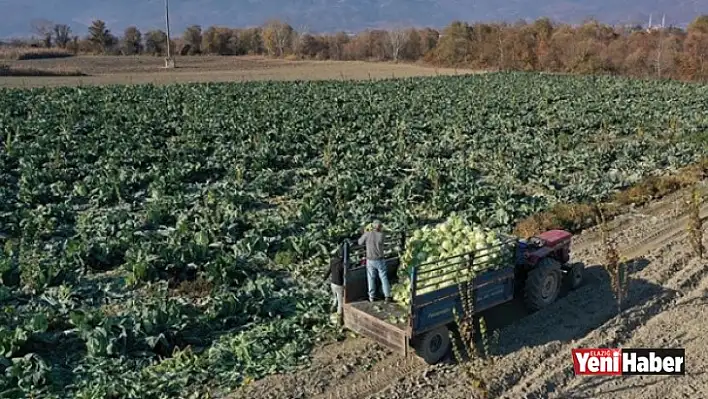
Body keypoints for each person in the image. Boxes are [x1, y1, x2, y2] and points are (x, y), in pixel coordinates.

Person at [358, 220, 392, 303]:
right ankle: (387, 296)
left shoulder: (367, 234)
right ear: (380, 227)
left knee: (371, 278)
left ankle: (371, 297)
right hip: (380, 259)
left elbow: (359, 242)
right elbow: (382, 241)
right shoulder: (381, 235)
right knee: (383, 277)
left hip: (370, 260)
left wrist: (365, 232)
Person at [324, 246, 345, 324]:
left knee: (335, 299)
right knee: (340, 303)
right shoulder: (343, 264)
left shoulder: (332, 261)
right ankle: (339, 321)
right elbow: (345, 275)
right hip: (339, 285)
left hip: (332, 284)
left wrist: (323, 279)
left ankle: (330, 312)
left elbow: (328, 271)